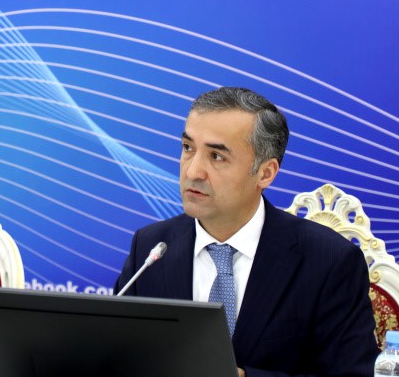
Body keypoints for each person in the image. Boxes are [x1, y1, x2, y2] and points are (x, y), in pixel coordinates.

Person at [115, 87, 377, 377]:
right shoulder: (151, 248)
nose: (192, 172)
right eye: (188, 148)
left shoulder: (329, 262)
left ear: (265, 173)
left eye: (216, 156)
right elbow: (116, 357)